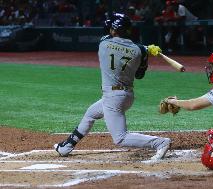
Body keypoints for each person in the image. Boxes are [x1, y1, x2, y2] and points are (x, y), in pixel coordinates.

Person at [54, 13, 171, 162]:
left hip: (113, 97)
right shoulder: (139, 51)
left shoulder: (103, 43)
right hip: (126, 96)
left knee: (120, 139)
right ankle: (66, 147)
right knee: (91, 113)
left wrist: (145, 49)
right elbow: (140, 75)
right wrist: (147, 50)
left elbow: (116, 43)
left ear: (115, 29)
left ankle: (160, 142)